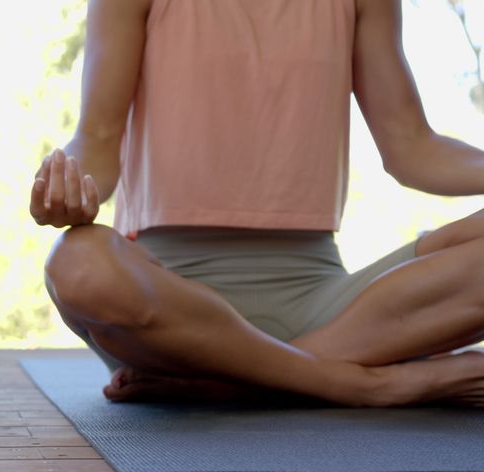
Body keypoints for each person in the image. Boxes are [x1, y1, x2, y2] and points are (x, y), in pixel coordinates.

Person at [31, 0, 484, 407]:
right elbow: (97, 139)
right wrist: (68, 186)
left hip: (330, 311)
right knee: (78, 264)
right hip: (170, 307)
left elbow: (411, 147)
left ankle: (242, 381)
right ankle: (361, 385)